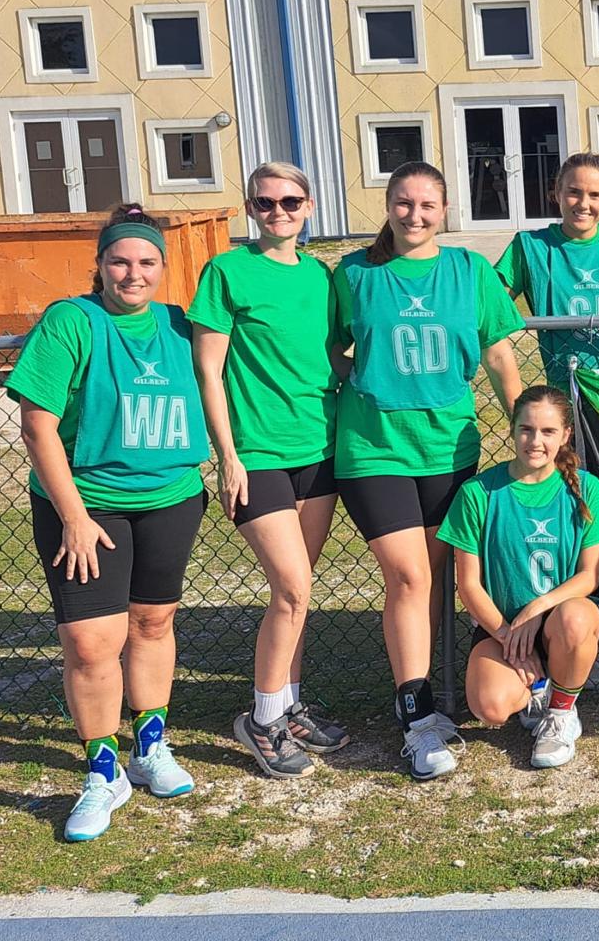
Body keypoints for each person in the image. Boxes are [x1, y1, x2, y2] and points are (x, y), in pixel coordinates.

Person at [8, 204, 209, 841]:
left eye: (147, 261)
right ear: (99, 265)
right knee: (92, 644)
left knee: (153, 621)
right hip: (88, 503)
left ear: (163, 268)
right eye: (120, 260)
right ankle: (103, 770)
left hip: (171, 495)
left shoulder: (182, 325)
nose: (133, 273)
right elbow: (37, 423)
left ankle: (149, 748)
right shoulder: (73, 320)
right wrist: (72, 515)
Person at [331, 161, 524, 779]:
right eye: (404, 203)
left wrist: (529, 434)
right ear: (387, 205)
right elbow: (333, 344)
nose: (415, 215)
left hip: (450, 448)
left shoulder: (469, 272)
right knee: (410, 576)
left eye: (428, 206)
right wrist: (355, 384)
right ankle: (416, 717)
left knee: (439, 577)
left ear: (446, 211)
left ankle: (449, 691)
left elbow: (499, 356)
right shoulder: (356, 273)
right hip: (374, 449)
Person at [190, 162, 350, 779]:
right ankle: (260, 720)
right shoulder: (227, 272)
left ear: (308, 207)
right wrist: (226, 456)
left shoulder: (320, 275)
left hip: (319, 449)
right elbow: (210, 370)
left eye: (289, 201)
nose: (277, 212)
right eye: (265, 202)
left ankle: (287, 705)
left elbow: (334, 354)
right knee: (292, 588)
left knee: (299, 592)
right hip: (258, 456)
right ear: (251, 209)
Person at [494, 153, 599, 691]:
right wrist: (521, 398)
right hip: (569, 410)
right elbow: (488, 307)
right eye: (573, 192)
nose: (583, 203)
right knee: (580, 517)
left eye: (594, 195)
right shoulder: (531, 248)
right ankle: (576, 631)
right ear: (556, 194)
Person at [442, 386, 599, 770]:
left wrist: (537, 608)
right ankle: (537, 689)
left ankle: (561, 712)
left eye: (548, 432)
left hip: (558, 620)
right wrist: (509, 636)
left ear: (566, 435)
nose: (535, 441)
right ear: (511, 429)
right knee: (490, 707)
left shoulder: (586, 489)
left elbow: (589, 577)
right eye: (526, 430)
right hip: (500, 626)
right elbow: (468, 587)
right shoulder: (478, 493)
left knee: (578, 615)